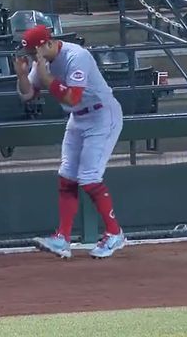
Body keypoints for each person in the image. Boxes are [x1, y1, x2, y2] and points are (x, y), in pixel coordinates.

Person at [15, 25, 126, 259]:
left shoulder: (77, 56)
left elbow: (72, 96)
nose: (33, 57)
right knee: (67, 177)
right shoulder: (41, 62)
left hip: (101, 115)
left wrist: (46, 77)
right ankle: (62, 238)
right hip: (78, 117)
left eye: (34, 52)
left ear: (47, 43)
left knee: (89, 178)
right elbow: (27, 95)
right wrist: (23, 75)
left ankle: (115, 233)